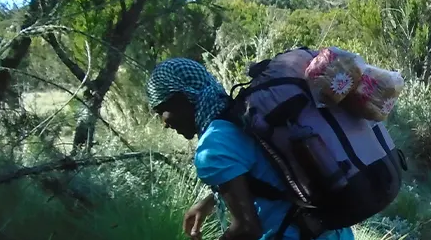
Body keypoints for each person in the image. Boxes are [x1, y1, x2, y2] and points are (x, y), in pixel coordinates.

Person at [148, 58, 353, 240]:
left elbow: (247, 229)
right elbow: (268, 175)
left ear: (184, 97)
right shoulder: (247, 115)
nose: (164, 123)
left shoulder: (213, 145)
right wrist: (211, 201)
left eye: (161, 110)